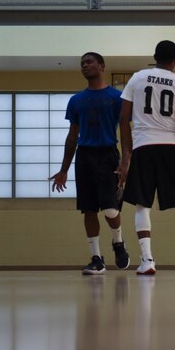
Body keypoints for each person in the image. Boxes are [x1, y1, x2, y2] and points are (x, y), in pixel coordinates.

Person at [116, 40, 175, 276]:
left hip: (143, 147)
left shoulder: (137, 78)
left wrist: (127, 154)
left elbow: (123, 118)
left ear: (154, 56)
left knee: (142, 204)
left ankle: (147, 260)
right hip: (170, 148)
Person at [50, 52, 130, 276]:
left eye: (89, 62)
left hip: (108, 155)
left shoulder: (117, 97)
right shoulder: (76, 100)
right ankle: (96, 258)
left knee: (111, 209)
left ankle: (118, 242)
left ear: (101, 66)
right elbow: (72, 135)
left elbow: (125, 133)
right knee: (88, 209)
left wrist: (125, 162)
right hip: (84, 156)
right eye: (82, 63)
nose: (85, 66)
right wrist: (64, 169)